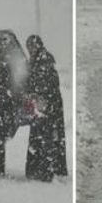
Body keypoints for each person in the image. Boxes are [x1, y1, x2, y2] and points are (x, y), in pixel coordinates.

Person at [24, 35, 67, 181]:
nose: (29, 50)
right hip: (46, 106)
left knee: (46, 138)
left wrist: (35, 95)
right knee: (44, 137)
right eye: (28, 47)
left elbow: (43, 84)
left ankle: (46, 170)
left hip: (48, 106)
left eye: (31, 47)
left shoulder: (43, 61)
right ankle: (43, 169)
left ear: (37, 46)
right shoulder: (39, 60)